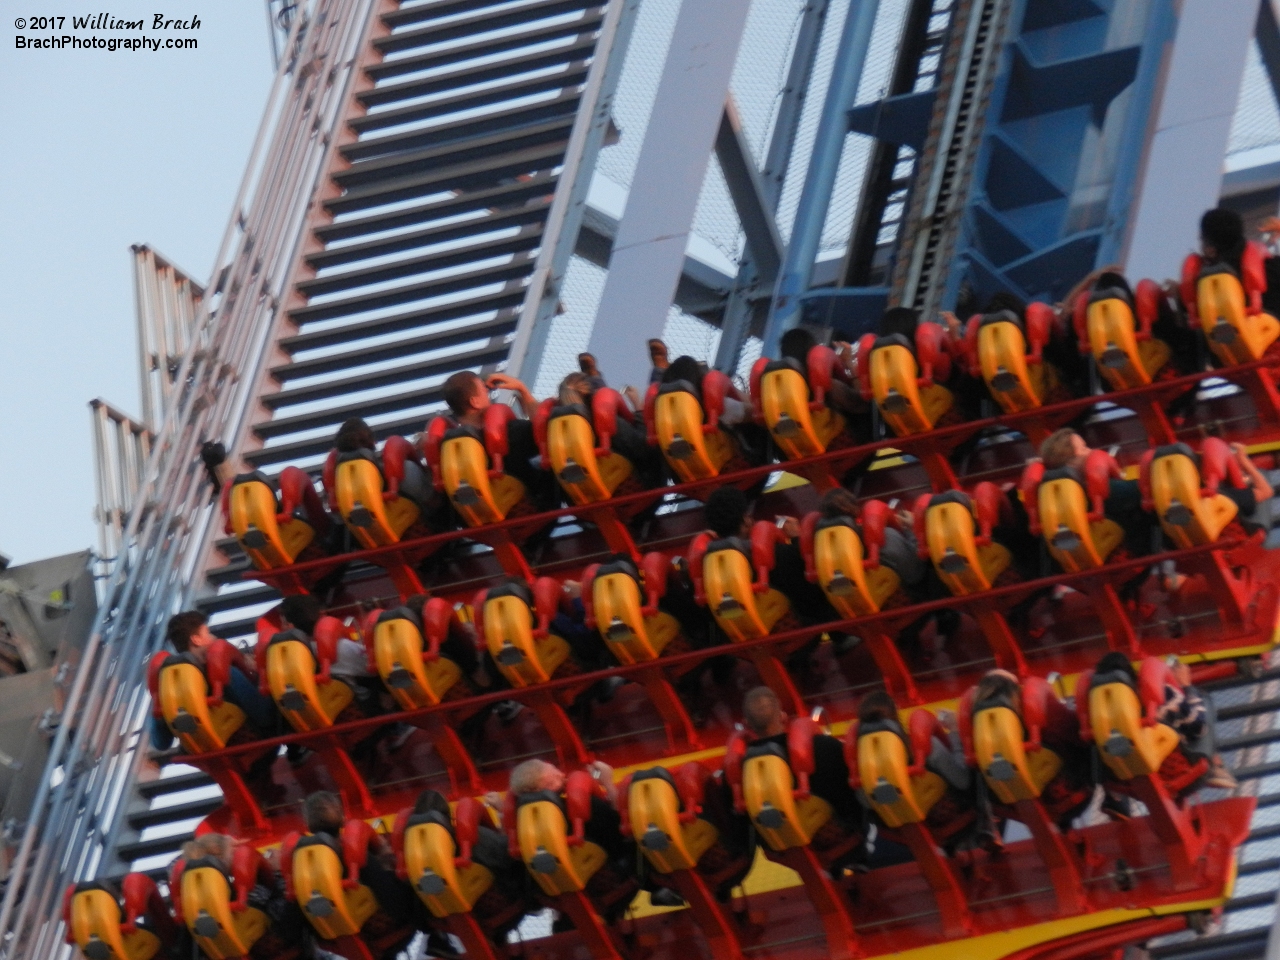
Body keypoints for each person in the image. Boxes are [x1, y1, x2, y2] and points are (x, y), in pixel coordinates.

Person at [855, 691, 996, 854]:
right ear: (895, 716)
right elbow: (963, 780)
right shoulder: (927, 746)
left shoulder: (861, 764)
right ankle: (988, 830)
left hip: (904, 832)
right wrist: (955, 733)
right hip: (952, 817)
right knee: (977, 765)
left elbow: (865, 802)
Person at [702, 486, 840, 632]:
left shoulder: (711, 575)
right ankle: (840, 637)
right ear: (745, 520)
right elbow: (814, 575)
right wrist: (797, 538)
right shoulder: (781, 554)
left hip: (748, 641)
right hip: (799, 632)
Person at [1092, 653, 1236, 791]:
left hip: (1128, 782)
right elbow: (1197, 726)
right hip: (1178, 774)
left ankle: (1114, 799)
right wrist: (1186, 686)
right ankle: (1216, 766)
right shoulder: (1156, 693)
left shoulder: (1094, 710)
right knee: (1204, 701)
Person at [971, 669, 1093, 830]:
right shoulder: (1030, 707)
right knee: (1091, 747)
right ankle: (1113, 800)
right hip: (1065, 794)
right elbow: (1073, 732)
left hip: (1006, 799)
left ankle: (988, 828)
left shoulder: (975, 722)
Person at [151, 611, 281, 752]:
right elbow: (265, 716)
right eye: (208, 633)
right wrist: (259, 675)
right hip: (251, 747)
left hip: (207, 754)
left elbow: (160, 743)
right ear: (196, 640)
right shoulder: (225, 671)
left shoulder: (167, 685)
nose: (214, 637)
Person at [741, 687, 861, 832]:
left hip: (782, 848)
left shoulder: (739, 775)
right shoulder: (826, 747)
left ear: (746, 724)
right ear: (782, 716)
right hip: (844, 842)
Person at [439, 370, 559, 511]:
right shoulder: (513, 432)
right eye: (485, 391)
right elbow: (546, 432)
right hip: (538, 515)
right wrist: (522, 390)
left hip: (484, 525)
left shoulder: (447, 453)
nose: (488, 395)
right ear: (475, 402)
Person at [303, 791, 417, 927]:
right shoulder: (358, 856)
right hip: (380, 931)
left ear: (308, 825)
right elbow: (396, 904)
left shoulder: (303, 864)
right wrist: (388, 866)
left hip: (334, 933)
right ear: (342, 817)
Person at [1038, 428, 1155, 559]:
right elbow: (1139, 490)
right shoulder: (1102, 488)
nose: (1091, 452)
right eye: (1084, 448)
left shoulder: (1048, 499)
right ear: (1071, 463)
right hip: (1127, 553)